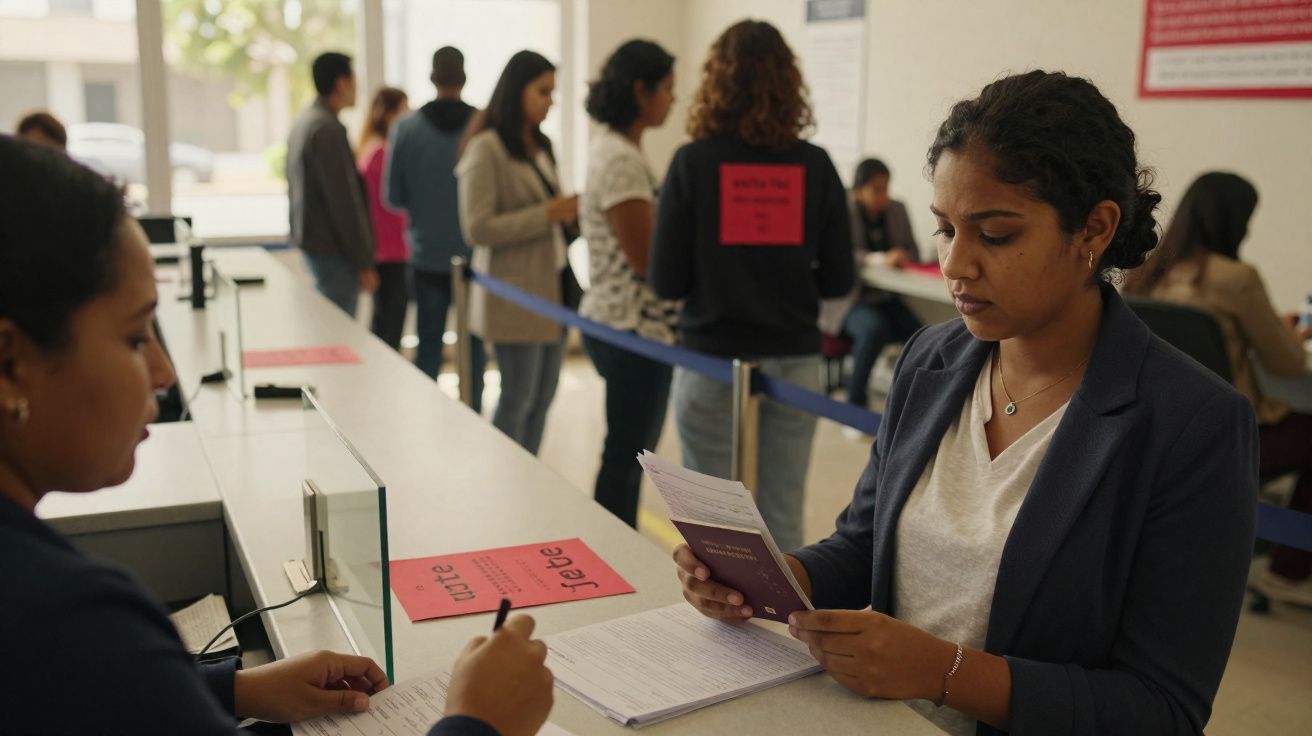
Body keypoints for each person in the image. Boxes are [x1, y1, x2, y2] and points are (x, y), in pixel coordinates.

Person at [674, 71, 1258, 736]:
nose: (955, 264)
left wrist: (946, 673)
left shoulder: (1191, 424)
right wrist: (771, 578)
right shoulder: (932, 360)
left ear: (1093, 228)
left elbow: (1161, 709)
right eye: (946, 229)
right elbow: (865, 545)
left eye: (996, 234)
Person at [0, 136, 554, 735]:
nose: (162, 374)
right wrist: (478, 723)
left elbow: (91, 697)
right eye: (136, 338)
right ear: (10, 364)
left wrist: (227, 689)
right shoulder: (62, 616)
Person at [649, 21, 854, 552]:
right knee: (783, 508)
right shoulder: (816, 165)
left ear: (716, 81)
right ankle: (779, 628)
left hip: (710, 356)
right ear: (791, 84)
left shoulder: (692, 163)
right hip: (793, 358)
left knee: (713, 522)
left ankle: (714, 631)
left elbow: (666, 280)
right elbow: (839, 278)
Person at [1124, 172, 1312, 606]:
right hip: (1225, 438)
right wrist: (1292, 337)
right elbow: (1285, 363)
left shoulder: (1147, 269)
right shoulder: (1236, 277)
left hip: (1151, 431)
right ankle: (1289, 571)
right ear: (1236, 220)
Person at [578, 40, 679, 528]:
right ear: (641, 92)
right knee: (626, 454)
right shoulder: (619, 158)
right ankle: (612, 548)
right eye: (667, 89)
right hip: (630, 327)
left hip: (622, 323)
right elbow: (647, 259)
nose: (673, 100)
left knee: (626, 450)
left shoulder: (617, 149)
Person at [457, 51, 577, 454]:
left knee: (542, 400)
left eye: (552, 92)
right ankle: (503, 488)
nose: (550, 101)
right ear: (516, 91)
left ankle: (530, 484)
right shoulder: (486, 149)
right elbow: (477, 227)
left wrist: (566, 214)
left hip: (554, 288)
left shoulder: (542, 145)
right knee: (517, 400)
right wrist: (546, 214)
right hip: (515, 293)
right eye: (542, 91)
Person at [386, 46, 487, 410]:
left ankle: (429, 417)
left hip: (426, 253)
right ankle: (473, 418)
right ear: (464, 78)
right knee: (473, 348)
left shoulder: (406, 129)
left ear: (432, 78)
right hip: (475, 258)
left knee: (428, 345)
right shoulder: (482, 127)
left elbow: (392, 196)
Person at [818, 158, 924, 410]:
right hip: (848, 300)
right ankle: (854, 403)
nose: (884, 195)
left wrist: (902, 256)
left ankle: (912, 405)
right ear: (858, 190)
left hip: (886, 296)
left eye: (886, 187)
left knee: (922, 336)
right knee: (874, 330)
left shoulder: (897, 210)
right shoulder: (843, 211)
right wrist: (879, 259)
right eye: (876, 189)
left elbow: (914, 251)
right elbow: (840, 254)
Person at [287, 51, 379, 317]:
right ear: (341, 83)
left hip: (316, 244)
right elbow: (343, 201)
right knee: (339, 335)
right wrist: (364, 262)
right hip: (334, 252)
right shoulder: (327, 129)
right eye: (354, 81)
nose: (357, 89)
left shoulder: (306, 121)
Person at [357, 86, 411, 351]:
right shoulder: (382, 153)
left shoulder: (371, 148)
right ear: (389, 114)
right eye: (403, 110)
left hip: (385, 250)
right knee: (389, 326)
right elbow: (390, 207)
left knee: (385, 323)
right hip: (389, 252)